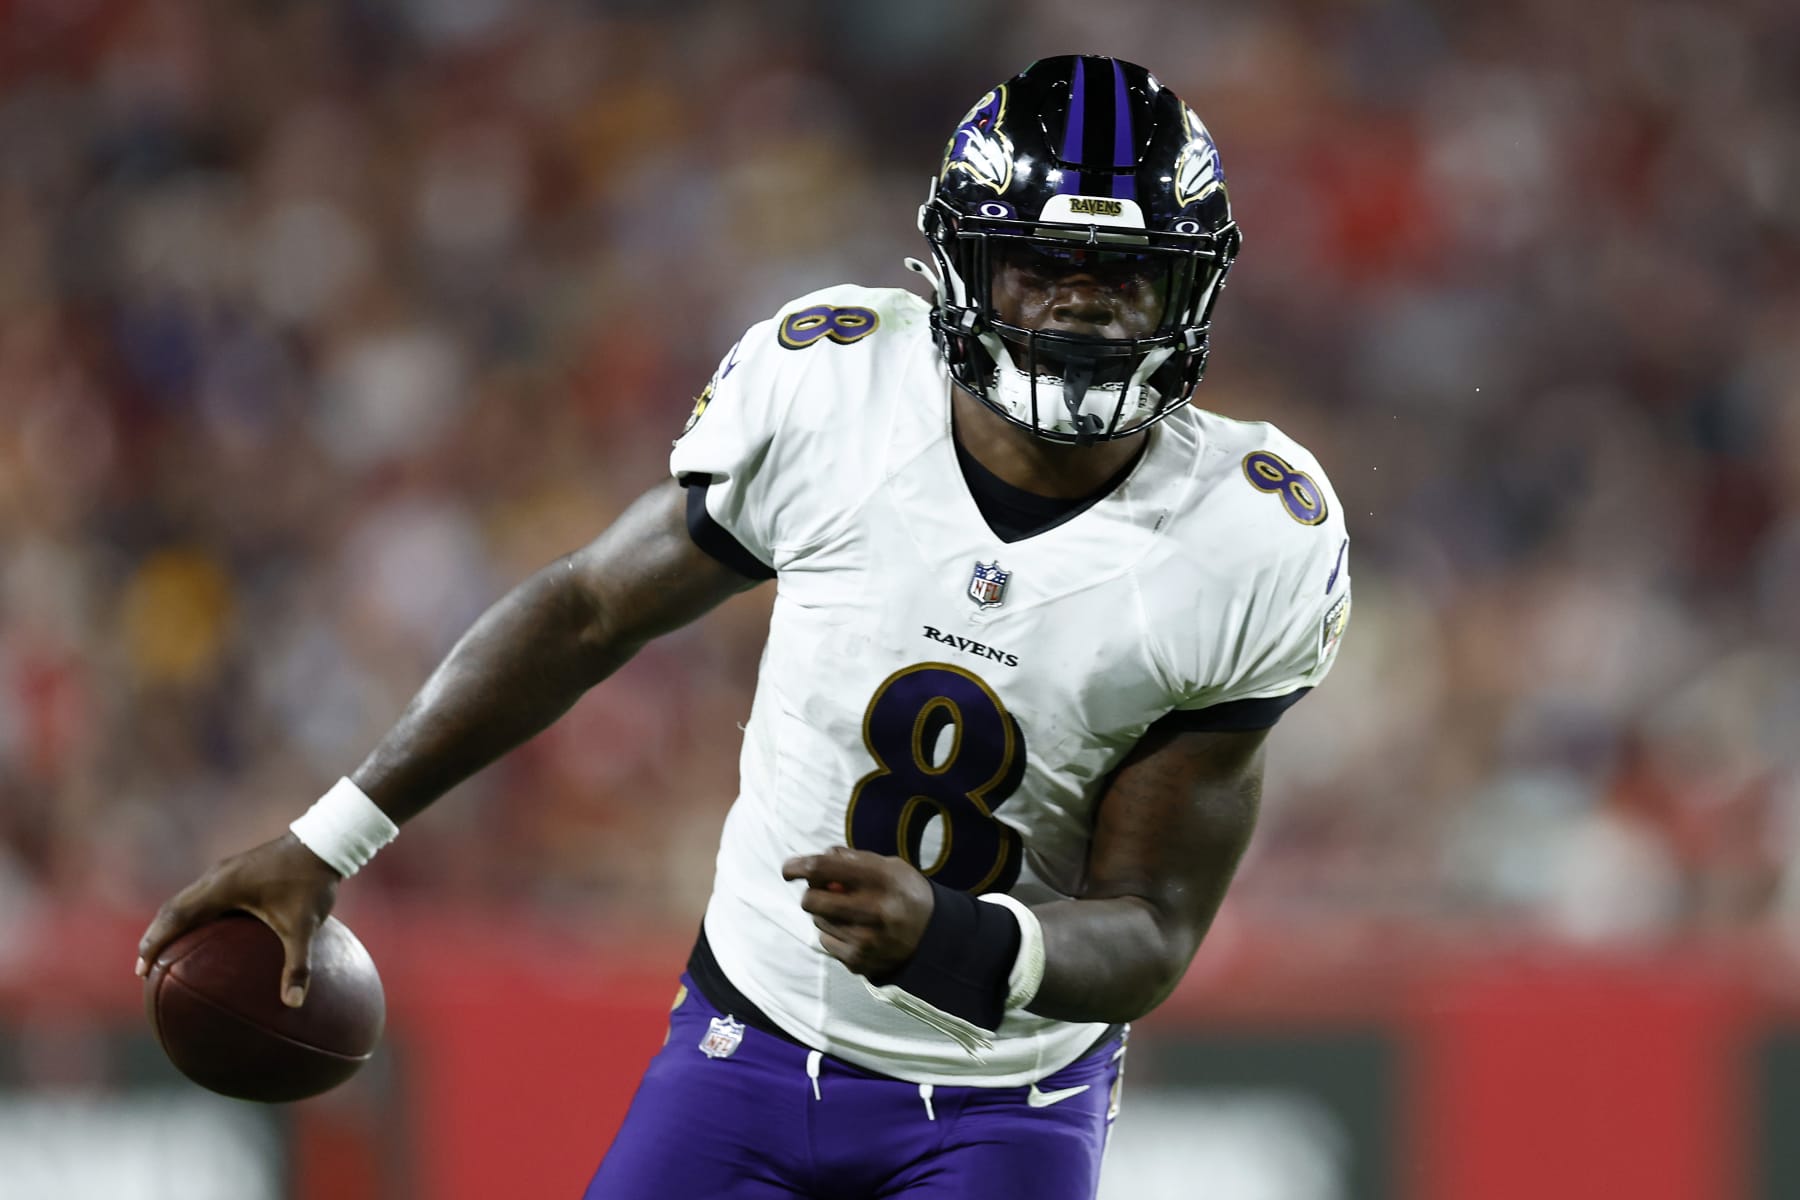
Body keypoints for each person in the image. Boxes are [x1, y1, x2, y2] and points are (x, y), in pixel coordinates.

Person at [137, 55, 1351, 1199]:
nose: (1082, 311)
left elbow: (1150, 925)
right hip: (750, 1035)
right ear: (960, 268)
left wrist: (959, 939)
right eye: (1041, 264)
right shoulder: (836, 392)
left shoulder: (1242, 537)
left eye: (1123, 276)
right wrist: (327, 840)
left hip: (1007, 1092)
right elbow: (585, 610)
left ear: (1192, 287)